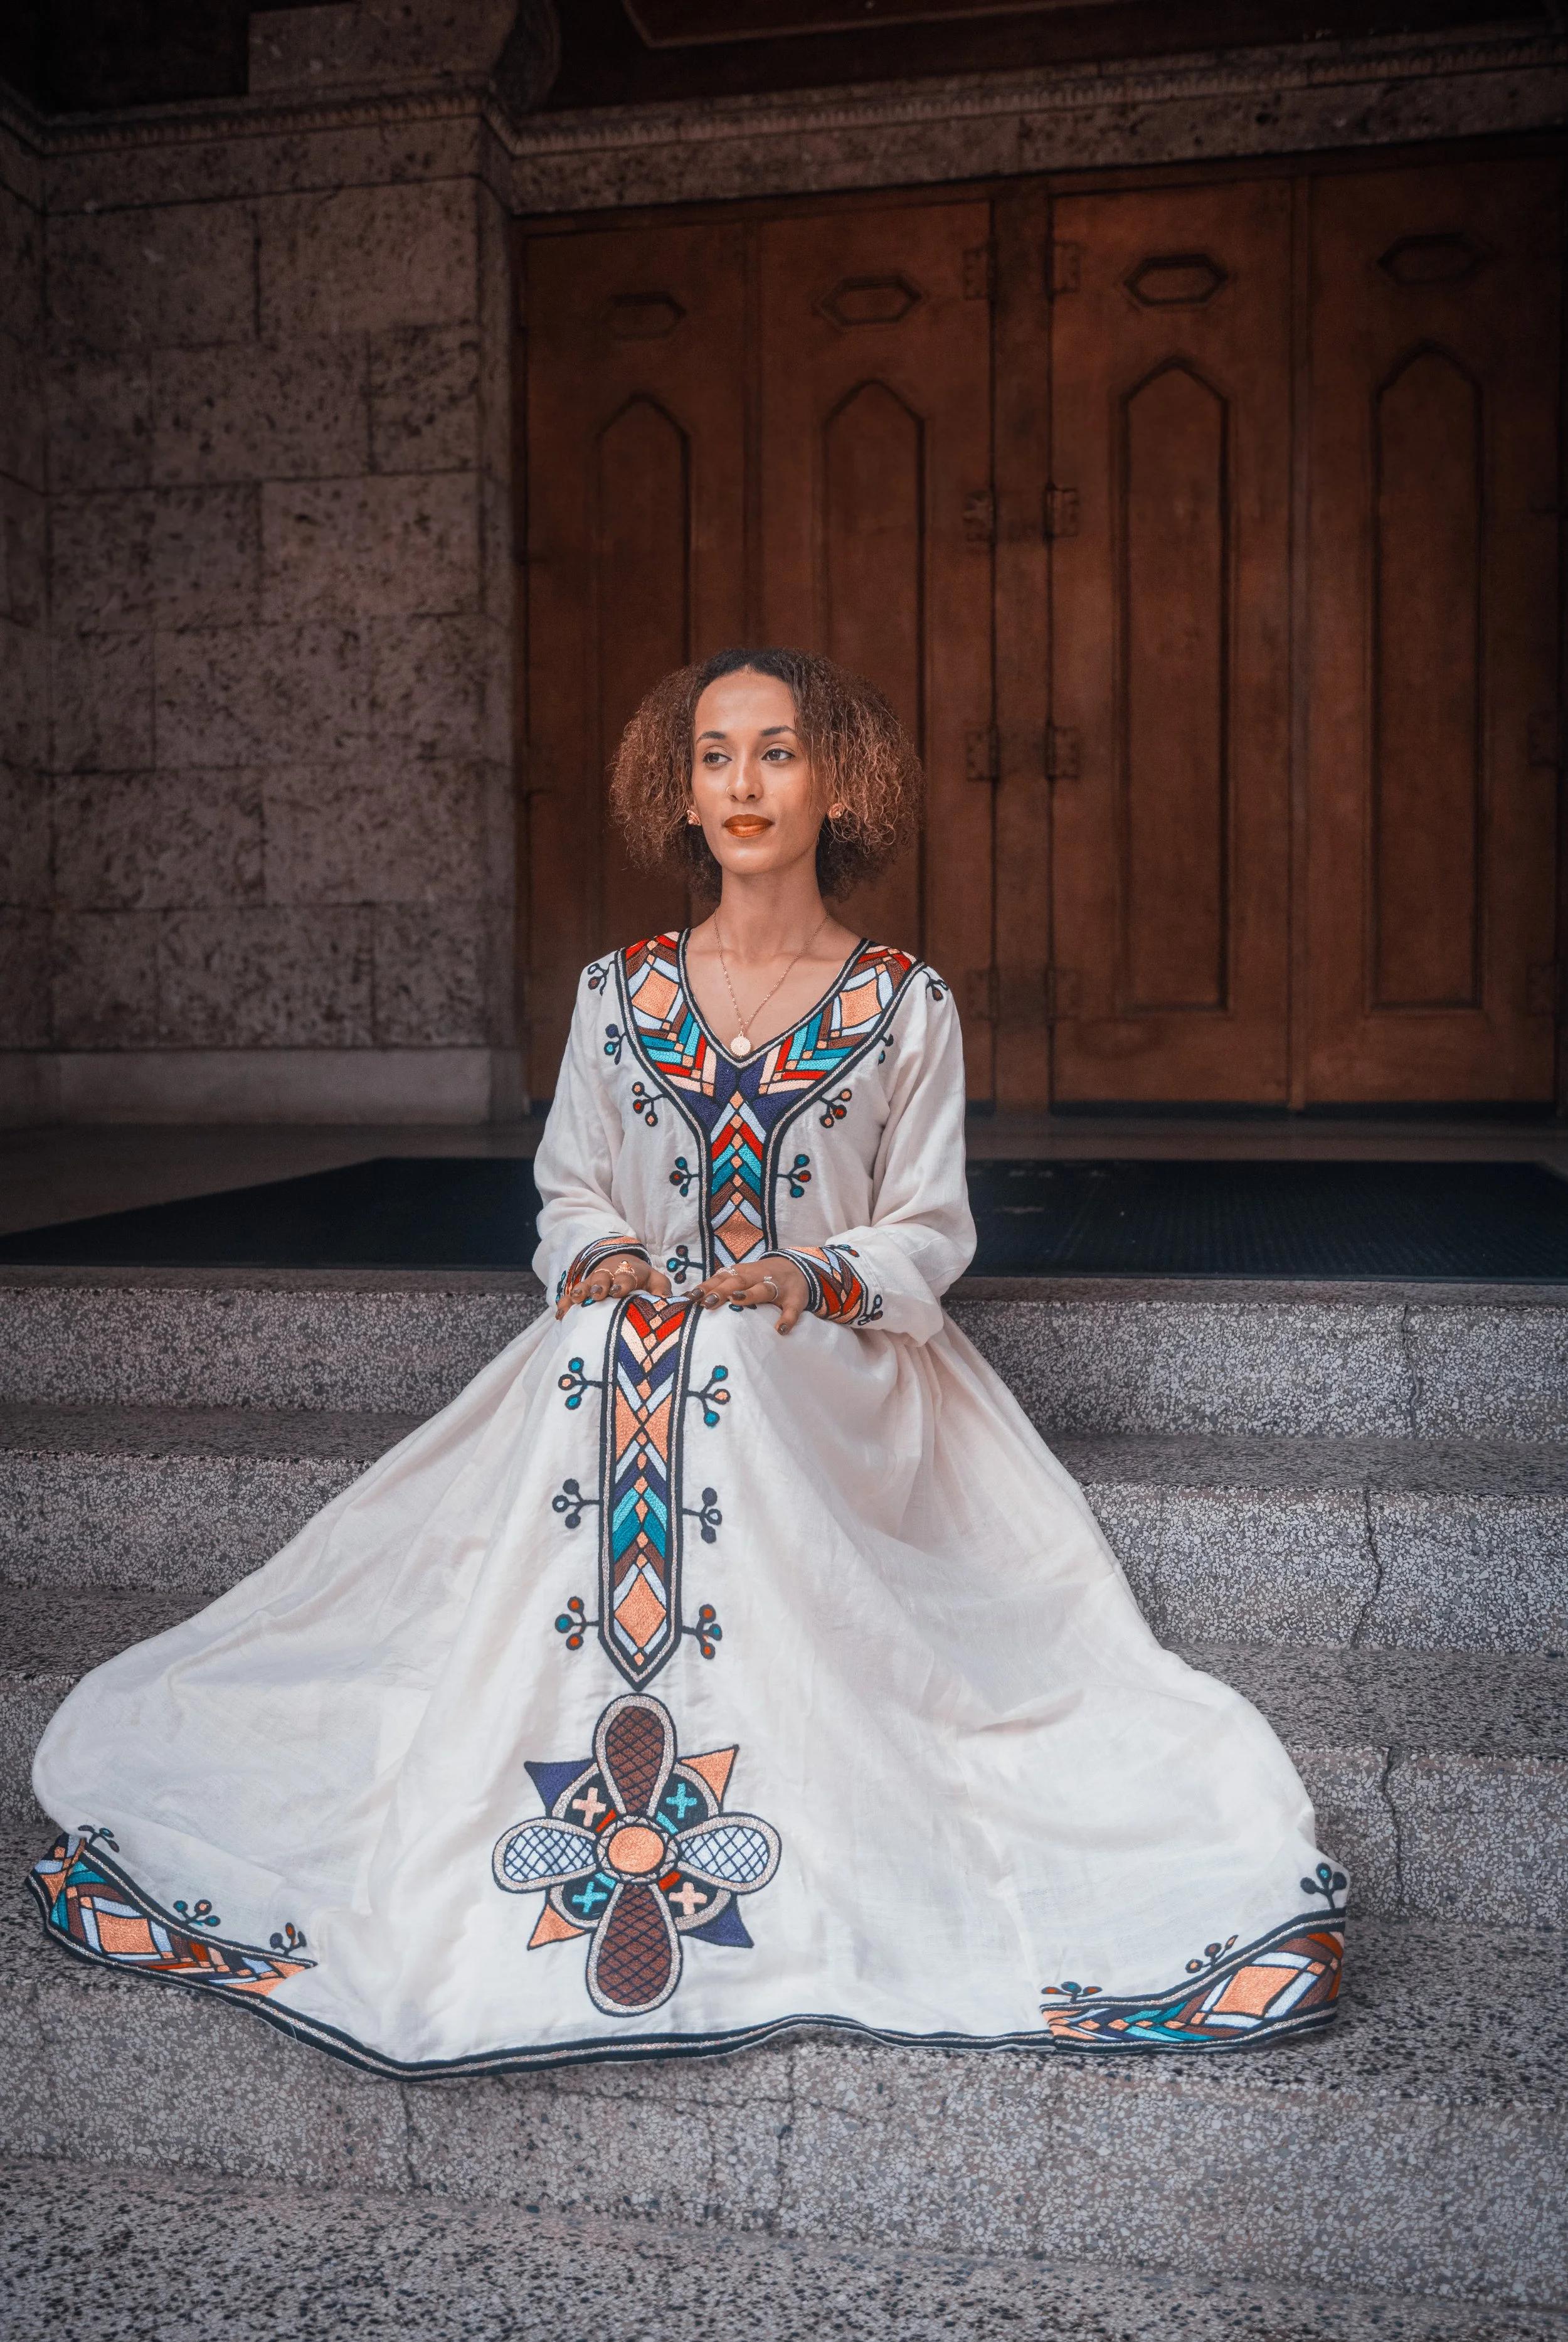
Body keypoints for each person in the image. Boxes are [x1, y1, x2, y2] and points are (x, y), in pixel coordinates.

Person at [28, 647, 1345, 2073]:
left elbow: (927, 1228)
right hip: (634, 1349)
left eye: (777, 751)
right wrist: (601, 1255)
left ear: (839, 783)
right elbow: (572, 1188)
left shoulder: (904, 1002)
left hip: (837, 1364)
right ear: (681, 788)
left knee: (714, 1365)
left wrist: (811, 1275)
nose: (743, 784)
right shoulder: (619, 993)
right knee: (628, 1349)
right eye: (715, 756)